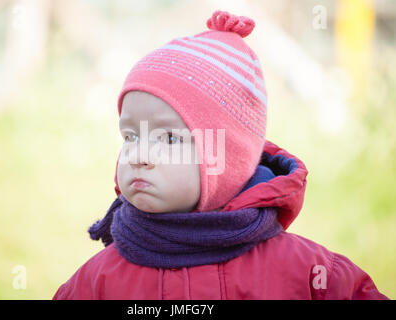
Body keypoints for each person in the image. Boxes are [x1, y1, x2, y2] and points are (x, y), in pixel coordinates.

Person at [53, 10, 388, 300]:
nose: (139, 154)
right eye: (130, 135)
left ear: (225, 159)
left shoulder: (308, 274)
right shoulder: (98, 281)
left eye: (169, 138)